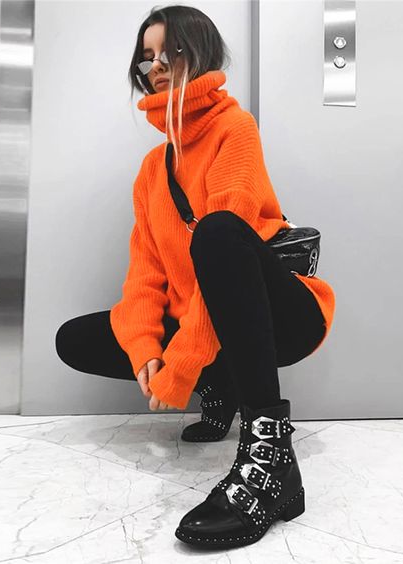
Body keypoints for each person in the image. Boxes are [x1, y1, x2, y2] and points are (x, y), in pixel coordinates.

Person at [55, 4, 336, 549]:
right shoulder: (151, 171)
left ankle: (272, 457)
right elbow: (145, 274)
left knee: (218, 231)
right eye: (147, 57)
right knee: (77, 338)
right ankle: (220, 384)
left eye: (171, 52)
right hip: (204, 322)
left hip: (283, 315)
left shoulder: (235, 128)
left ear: (201, 53)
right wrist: (145, 351)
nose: (156, 66)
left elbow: (226, 240)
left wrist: (182, 364)